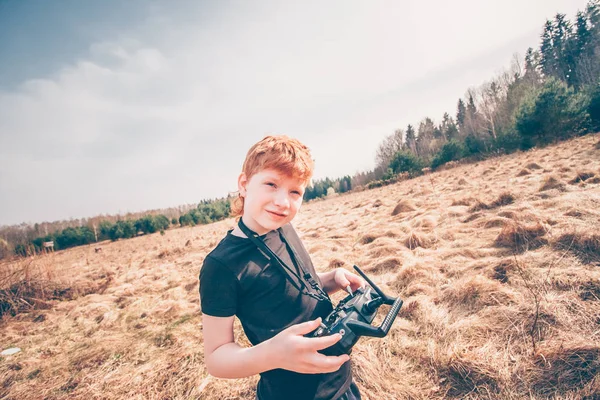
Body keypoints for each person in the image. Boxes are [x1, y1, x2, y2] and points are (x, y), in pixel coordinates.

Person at [199, 135, 365, 400]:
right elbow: (216, 358)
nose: (283, 202)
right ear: (244, 184)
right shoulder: (221, 266)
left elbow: (297, 289)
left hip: (341, 385)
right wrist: (273, 354)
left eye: (294, 192)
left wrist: (333, 279)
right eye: (271, 184)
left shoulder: (283, 228)